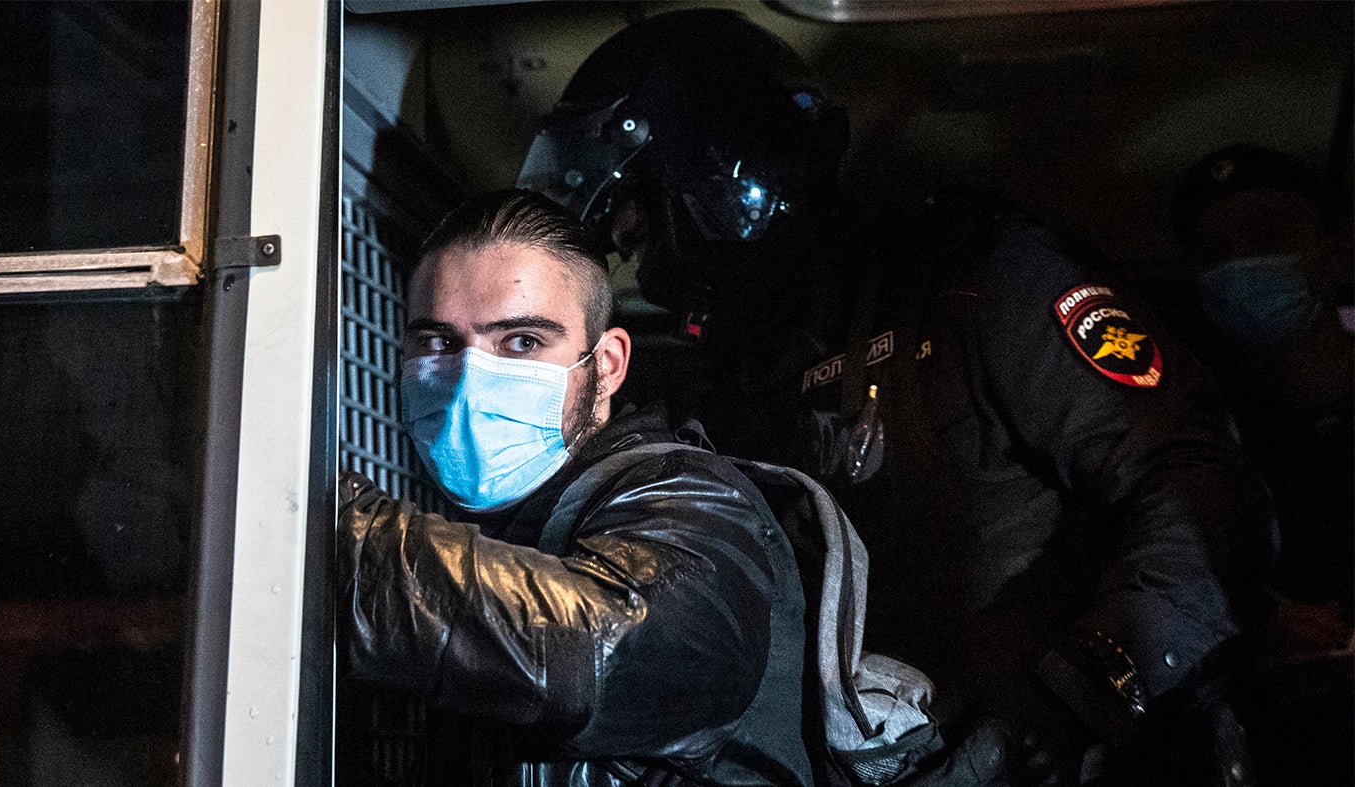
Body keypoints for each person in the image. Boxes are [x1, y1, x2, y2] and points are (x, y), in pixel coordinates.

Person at [519, 10, 1275, 784]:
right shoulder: (726, 393)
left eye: (640, 230)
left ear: (718, 183)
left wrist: (1079, 693)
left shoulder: (978, 282)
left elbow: (1199, 490)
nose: (642, 273)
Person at [337, 189, 814, 786]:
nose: (467, 379)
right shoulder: (474, 537)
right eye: (438, 343)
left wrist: (332, 538)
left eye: (522, 343)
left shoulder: (699, 503)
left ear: (607, 365)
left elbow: (599, 649)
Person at [1172, 144, 1354, 616]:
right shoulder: (1198, 430)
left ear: (1336, 251)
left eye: (1269, 236)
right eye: (1213, 254)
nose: (1239, 266)